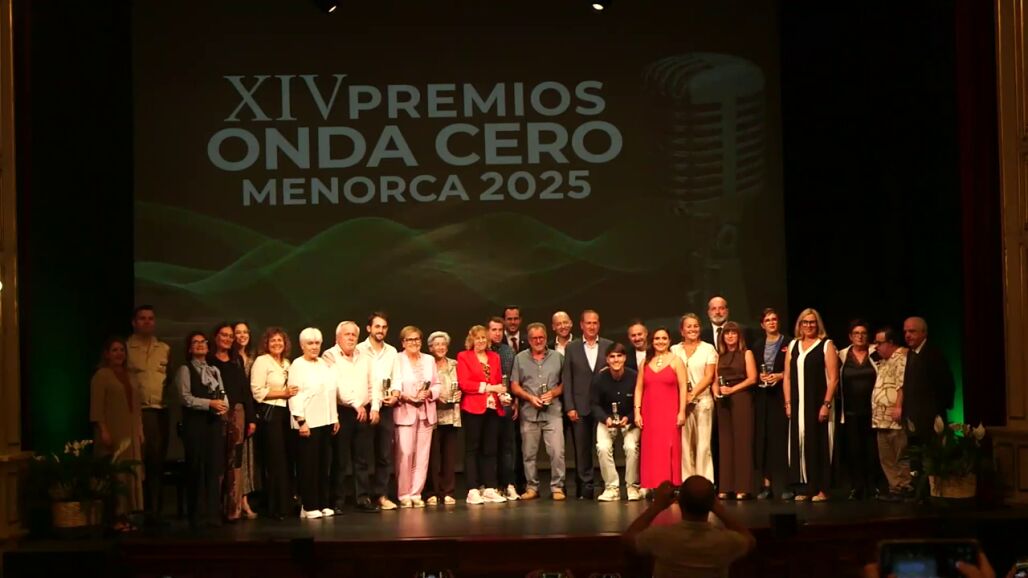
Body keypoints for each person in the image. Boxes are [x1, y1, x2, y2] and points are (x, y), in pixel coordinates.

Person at [624, 477, 756, 578]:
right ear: (712, 502)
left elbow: (629, 538)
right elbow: (749, 540)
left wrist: (656, 506)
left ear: (679, 500)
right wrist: (719, 510)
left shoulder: (660, 537)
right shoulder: (726, 541)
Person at [323, 321, 382, 513]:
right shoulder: (330, 355)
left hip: (363, 411)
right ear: (337, 337)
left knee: (362, 459)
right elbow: (336, 385)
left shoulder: (364, 356)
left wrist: (375, 407)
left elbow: (373, 383)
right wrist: (356, 404)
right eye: (346, 334)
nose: (350, 338)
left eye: (353, 335)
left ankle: (362, 498)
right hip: (343, 411)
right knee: (340, 460)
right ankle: (337, 500)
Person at [783, 308, 839, 502]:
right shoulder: (793, 345)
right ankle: (806, 487)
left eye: (812, 322)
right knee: (800, 443)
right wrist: (788, 403)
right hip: (797, 404)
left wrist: (826, 404)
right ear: (800, 325)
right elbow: (787, 377)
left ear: (818, 324)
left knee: (819, 443)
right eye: (805, 322)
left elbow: (833, 378)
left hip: (817, 403)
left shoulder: (826, 345)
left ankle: (822, 488)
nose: (809, 325)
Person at [90, 337, 144, 531]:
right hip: (113, 429)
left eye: (122, 350)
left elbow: (137, 406)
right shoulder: (101, 376)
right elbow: (96, 407)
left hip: (130, 430)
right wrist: (103, 429)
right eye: (114, 350)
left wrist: (139, 430)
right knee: (115, 474)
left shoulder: (131, 375)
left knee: (130, 473)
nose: (119, 353)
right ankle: (113, 517)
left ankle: (126, 515)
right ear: (107, 354)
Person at [176, 331, 229, 528]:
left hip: (213, 424)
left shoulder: (214, 370)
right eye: (195, 342)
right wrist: (209, 404)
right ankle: (196, 515)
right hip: (195, 425)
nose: (200, 345)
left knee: (213, 468)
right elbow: (186, 398)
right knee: (196, 468)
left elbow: (223, 394)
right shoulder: (185, 369)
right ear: (189, 348)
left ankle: (212, 514)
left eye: (203, 342)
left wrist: (223, 406)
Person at [510, 322, 566, 501]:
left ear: (546, 337)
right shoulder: (520, 358)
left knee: (557, 452)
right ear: (528, 339)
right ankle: (532, 487)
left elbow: (565, 383)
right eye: (534, 338)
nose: (538, 341)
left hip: (553, 412)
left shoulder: (557, 357)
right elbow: (514, 385)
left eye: (541, 337)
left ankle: (557, 487)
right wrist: (529, 397)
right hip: (529, 412)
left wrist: (553, 393)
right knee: (529, 454)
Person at [288, 327, 340, 519]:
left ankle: (322, 503)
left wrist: (334, 417)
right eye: (310, 343)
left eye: (317, 343)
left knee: (323, 465)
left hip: (325, 421)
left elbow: (330, 392)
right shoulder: (297, 365)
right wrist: (301, 421)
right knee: (308, 466)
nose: (314, 347)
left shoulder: (323, 364)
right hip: (308, 423)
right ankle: (308, 506)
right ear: (302, 345)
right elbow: (295, 395)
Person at [126, 305, 170, 524]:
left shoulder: (164, 348)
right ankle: (135, 511)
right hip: (136, 412)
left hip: (159, 412)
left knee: (156, 463)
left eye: (150, 318)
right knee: (136, 463)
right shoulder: (126, 348)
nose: (147, 322)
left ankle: (155, 512)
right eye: (142, 318)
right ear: (134, 322)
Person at [562, 310, 613, 499]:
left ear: (599, 324)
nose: (592, 326)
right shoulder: (572, 347)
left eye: (595, 323)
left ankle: (609, 485)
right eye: (588, 323)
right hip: (580, 406)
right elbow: (567, 379)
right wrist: (570, 406)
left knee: (604, 447)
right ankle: (586, 488)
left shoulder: (608, 346)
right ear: (581, 325)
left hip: (603, 407)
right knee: (582, 450)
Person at [208, 322, 256, 522]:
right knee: (218, 461)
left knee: (235, 461)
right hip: (217, 415)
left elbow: (245, 391)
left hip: (238, 414)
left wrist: (251, 419)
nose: (227, 339)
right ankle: (215, 508)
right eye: (224, 335)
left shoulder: (236, 360)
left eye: (230, 336)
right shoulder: (209, 361)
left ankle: (233, 509)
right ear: (216, 337)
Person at [250, 327, 297, 520]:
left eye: (280, 340)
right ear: (266, 344)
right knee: (275, 461)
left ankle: (287, 504)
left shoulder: (287, 363)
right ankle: (275, 507)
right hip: (271, 414)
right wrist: (282, 393)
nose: (277, 343)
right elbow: (257, 391)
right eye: (273, 341)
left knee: (287, 459)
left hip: (287, 413)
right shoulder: (262, 361)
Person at [390, 326, 441, 508]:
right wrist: (407, 397)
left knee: (422, 456)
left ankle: (416, 493)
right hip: (405, 411)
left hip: (426, 413)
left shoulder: (429, 360)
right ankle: (404, 494)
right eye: (410, 339)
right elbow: (394, 384)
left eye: (417, 339)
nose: (414, 343)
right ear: (403, 343)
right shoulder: (397, 359)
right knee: (405, 453)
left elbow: (437, 384)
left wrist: (430, 393)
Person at [457, 325, 508, 504]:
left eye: (483, 338)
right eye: (477, 338)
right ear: (471, 339)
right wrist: (489, 388)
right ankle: (472, 489)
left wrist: (503, 395)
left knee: (490, 449)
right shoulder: (464, 356)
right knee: (472, 448)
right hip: (473, 407)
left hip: (492, 407)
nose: (480, 341)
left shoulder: (494, 357)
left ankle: (490, 488)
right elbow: (465, 384)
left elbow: (499, 381)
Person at [636, 328, 690, 492]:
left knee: (669, 447)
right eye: (657, 338)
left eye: (664, 338)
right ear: (652, 341)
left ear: (669, 341)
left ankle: (670, 486)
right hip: (650, 413)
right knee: (652, 449)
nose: (660, 341)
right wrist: (637, 412)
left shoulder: (676, 361)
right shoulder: (645, 362)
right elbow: (639, 388)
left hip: (670, 413)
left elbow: (683, 387)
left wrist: (682, 411)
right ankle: (653, 485)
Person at [356, 312, 400, 511]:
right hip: (365, 406)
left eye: (384, 327)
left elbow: (396, 377)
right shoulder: (359, 349)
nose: (380, 330)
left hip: (386, 406)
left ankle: (381, 495)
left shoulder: (391, 351)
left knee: (384, 455)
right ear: (369, 328)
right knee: (362, 455)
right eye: (377, 326)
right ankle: (363, 497)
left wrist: (396, 395)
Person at [671, 314, 717, 483]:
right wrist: (684, 398)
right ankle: (687, 483)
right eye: (689, 326)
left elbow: (709, 376)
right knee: (684, 445)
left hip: (703, 401)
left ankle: (704, 483)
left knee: (703, 445)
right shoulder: (674, 350)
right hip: (681, 404)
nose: (693, 329)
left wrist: (692, 394)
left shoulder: (708, 349)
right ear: (682, 330)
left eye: (696, 326)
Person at [714, 321, 758, 499]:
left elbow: (753, 378)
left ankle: (743, 487)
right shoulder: (719, 356)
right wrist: (716, 392)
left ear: (739, 336)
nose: (730, 336)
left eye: (733, 333)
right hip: (723, 401)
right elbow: (715, 379)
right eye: (727, 333)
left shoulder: (746, 353)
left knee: (742, 441)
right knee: (725, 442)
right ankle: (726, 486)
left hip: (741, 397)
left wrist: (733, 389)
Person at [592, 343, 640, 501]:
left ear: (625, 358)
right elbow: (594, 404)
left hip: (629, 419)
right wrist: (605, 418)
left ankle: (632, 486)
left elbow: (641, 402)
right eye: (612, 357)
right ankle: (612, 488)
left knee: (631, 447)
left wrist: (629, 418)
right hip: (607, 419)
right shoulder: (600, 378)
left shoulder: (634, 377)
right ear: (607, 359)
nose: (616, 359)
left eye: (619, 356)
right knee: (603, 447)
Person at [751, 308, 791, 500]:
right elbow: (752, 369)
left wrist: (780, 376)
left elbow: (794, 369)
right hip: (762, 396)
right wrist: (760, 376)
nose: (772, 322)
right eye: (768, 320)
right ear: (762, 324)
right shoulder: (757, 345)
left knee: (781, 441)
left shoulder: (789, 343)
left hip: (781, 396)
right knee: (764, 440)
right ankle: (766, 486)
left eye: (774, 319)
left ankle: (785, 485)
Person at [837, 319, 879, 500]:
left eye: (863, 333)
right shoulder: (842, 355)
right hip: (850, 412)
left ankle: (874, 486)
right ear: (850, 336)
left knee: (872, 450)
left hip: (872, 412)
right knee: (854, 451)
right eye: (856, 333)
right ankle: (857, 487)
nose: (860, 337)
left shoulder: (875, 353)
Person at [870, 327, 912, 501]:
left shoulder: (901, 357)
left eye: (879, 343)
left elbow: (902, 385)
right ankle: (895, 488)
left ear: (891, 342)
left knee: (900, 454)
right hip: (881, 418)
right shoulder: (884, 360)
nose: (876, 346)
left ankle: (905, 487)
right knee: (886, 457)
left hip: (894, 417)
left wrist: (899, 406)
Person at [902, 316, 956, 437]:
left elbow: (946, 384)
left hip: (931, 421)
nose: (907, 335)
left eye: (912, 331)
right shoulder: (910, 354)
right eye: (905, 332)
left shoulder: (934, 354)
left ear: (924, 333)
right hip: (913, 420)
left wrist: (937, 412)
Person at [426, 331, 461, 506]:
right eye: (437, 344)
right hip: (432, 415)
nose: (440, 347)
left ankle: (448, 491)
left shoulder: (455, 364)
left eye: (443, 344)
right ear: (430, 348)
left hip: (451, 415)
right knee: (433, 457)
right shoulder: (427, 364)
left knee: (449, 456)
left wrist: (460, 393)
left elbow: (463, 384)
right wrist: (435, 396)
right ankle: (432, 492)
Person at [488, 316, 521, 501]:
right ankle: (491, 485)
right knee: (489, 446)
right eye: (494, 330)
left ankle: (509, 484)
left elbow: (514, 378)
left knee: (508, 446)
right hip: (487, 405)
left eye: (500, 330)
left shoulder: (508, 352)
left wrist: (515, 401)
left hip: (506, 403)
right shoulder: (481, 351)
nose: (497, 333)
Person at [232, 321, 259, 519]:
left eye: (245, 332)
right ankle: (235, 501)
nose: (242, 335)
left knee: (248, 458)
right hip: (237, 411)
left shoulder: (254, 358)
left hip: (253, 410)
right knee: (236, 458)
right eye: (238, 332)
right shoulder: (231, 359)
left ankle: (245, 500)